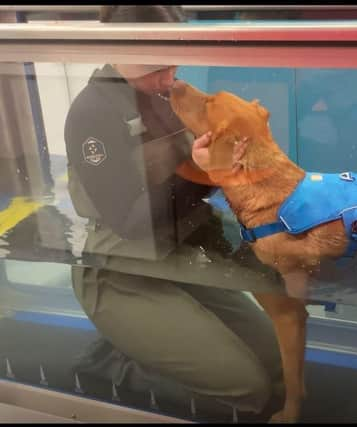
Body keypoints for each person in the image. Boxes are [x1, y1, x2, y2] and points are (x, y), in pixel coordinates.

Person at [64, 5, 284, 420]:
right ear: (116, 49)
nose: (169, 78)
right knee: (248, 388)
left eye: (173, 61)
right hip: (122, 270)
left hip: (179, 255)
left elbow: (199, 185)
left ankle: (155, 342)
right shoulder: (91, 113)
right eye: (155, 67)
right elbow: (129, 224)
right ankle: (116, 366)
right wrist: (203, 170)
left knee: (277, 367)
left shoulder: (164, 95)